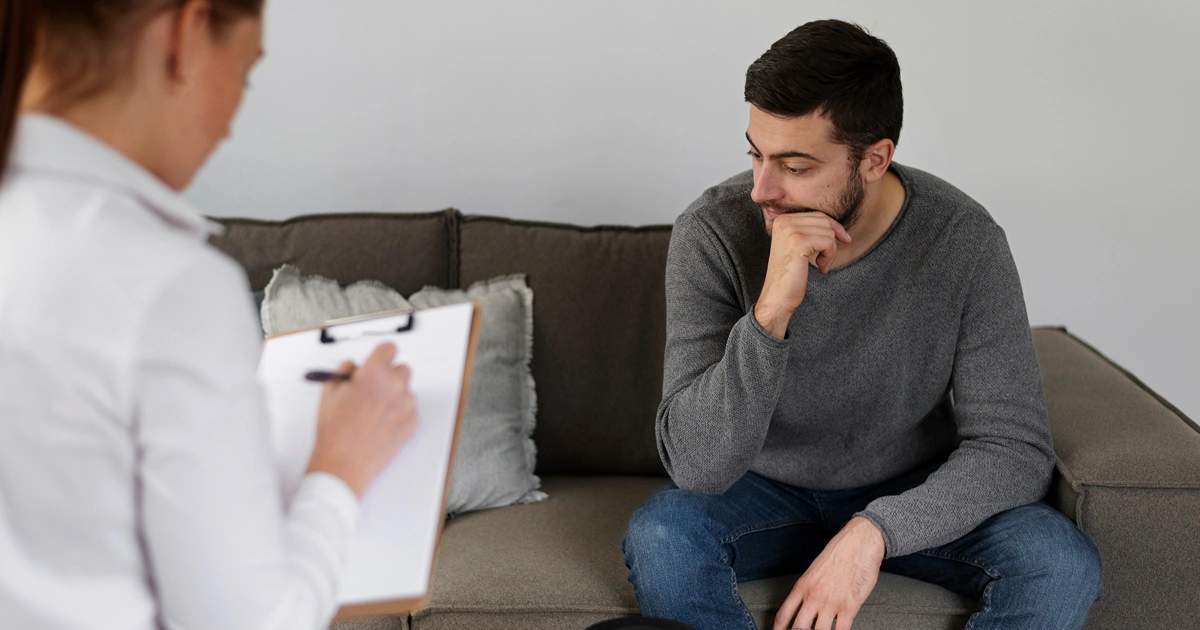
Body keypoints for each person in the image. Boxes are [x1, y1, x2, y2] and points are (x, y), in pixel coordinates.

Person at [622, 19, 1102, 630]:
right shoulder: (712, 233)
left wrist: (876, 531)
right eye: (755, 154)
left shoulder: (964, 241)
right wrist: (770, 314)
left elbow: (1014, 447)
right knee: (663, 537)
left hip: (910, 485)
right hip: (759, 490)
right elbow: (696, 467)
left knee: (1060, 563)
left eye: (794, 166)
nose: (761, 190)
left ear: (874, 160)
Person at [0, 1, 418, 628]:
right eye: (246, 74)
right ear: (186, 31)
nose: (229, 125)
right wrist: (341, 464)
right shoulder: (168, 286)